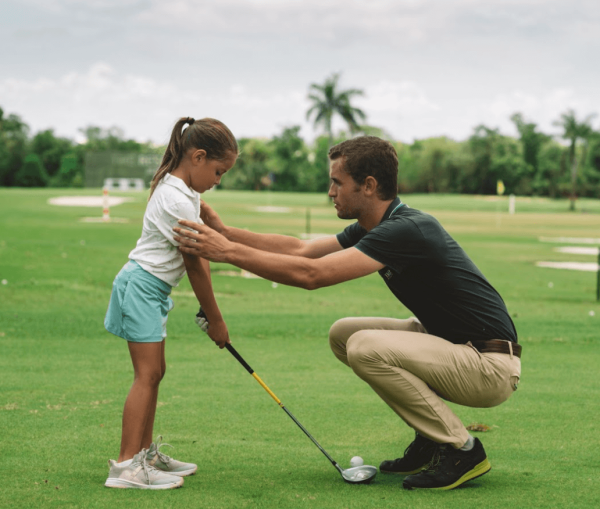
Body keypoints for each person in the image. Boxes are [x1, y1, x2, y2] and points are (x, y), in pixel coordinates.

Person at [173, 135, 521, 491]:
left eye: (337, 182)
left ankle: (463, 450)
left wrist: (228, 252)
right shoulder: (380, 225)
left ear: (368, 186)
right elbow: (302, 250)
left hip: (488, 365)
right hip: (458, 347)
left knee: (365, 346)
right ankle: (431, 438)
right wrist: (226, 233)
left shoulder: (406, 229)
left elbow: (313, 276)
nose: (330, 192)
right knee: (344, 334)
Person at [103, 117, 238, 489]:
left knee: (156, 372)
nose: (217, 180)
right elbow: (195, 262)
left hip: (152, 290)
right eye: (217, 171)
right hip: (141, 287)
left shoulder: (185, 191)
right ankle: (126, 468)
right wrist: (216, 318)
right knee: (146, 376)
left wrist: (208, 211)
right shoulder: (176, 198)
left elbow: (206, 243)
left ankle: (143, 454)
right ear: (197, 157)